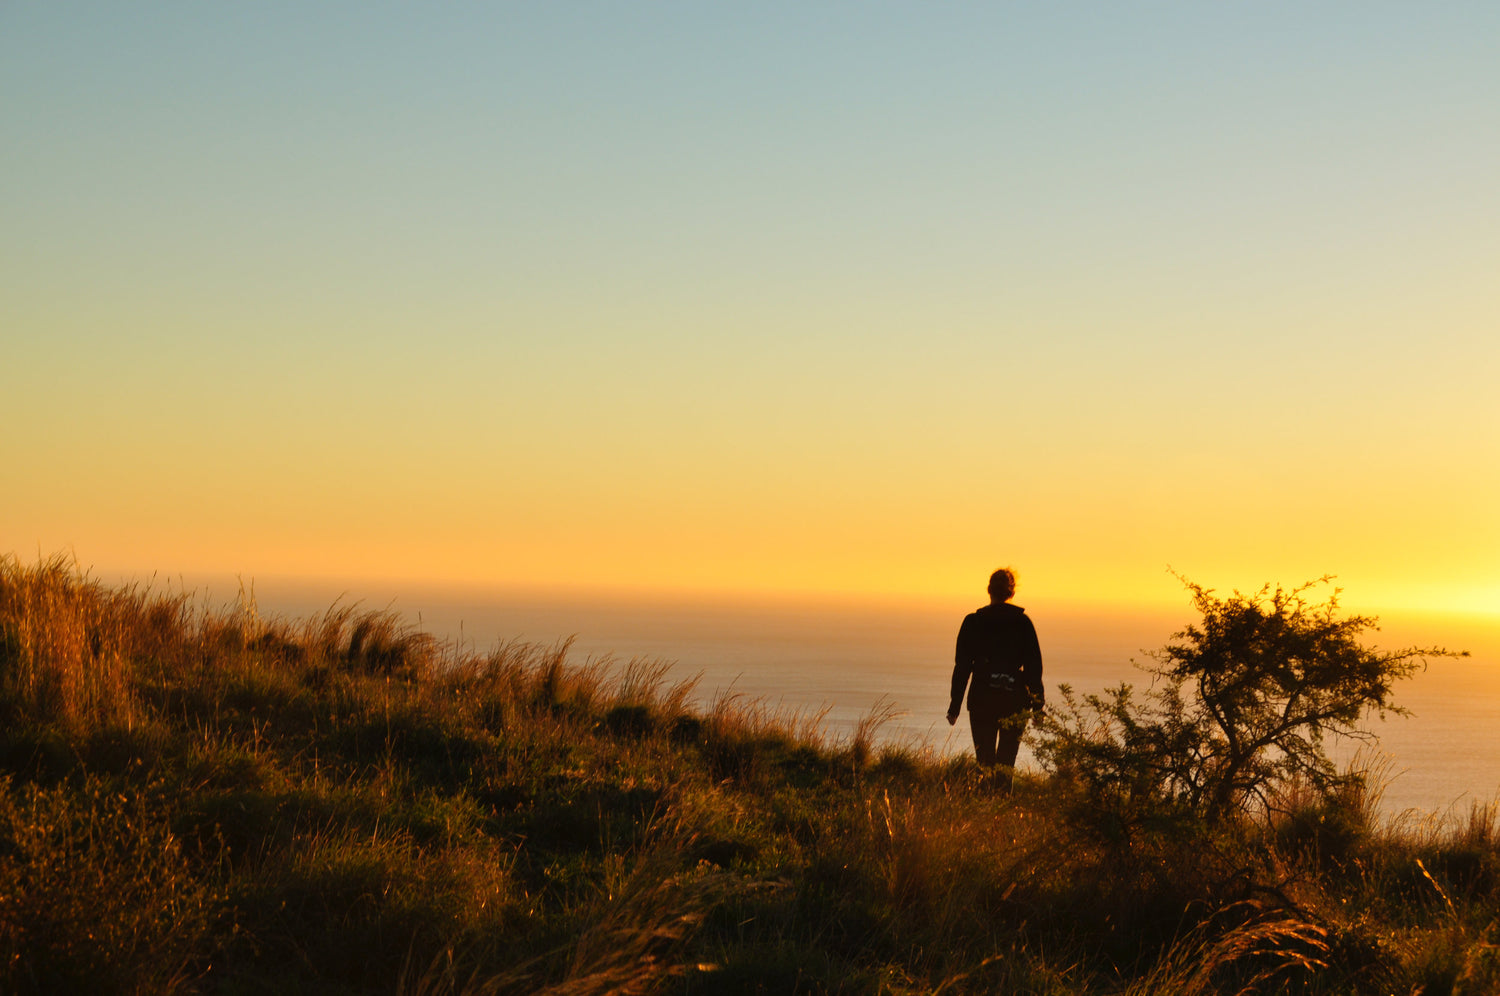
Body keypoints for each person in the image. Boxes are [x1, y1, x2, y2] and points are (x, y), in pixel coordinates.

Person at [947, 568, 1044, 790]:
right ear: (1012, 592)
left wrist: (955, 706)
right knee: (1006, 764)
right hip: (1014, 699)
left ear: (989, 590)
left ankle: (986, 808)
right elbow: (1033, 668)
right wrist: (1038, 706)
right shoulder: (1023, 623)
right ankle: (1000, 812)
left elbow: (962, 667)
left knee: (985, 764)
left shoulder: (973, 622)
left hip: (982, 698)